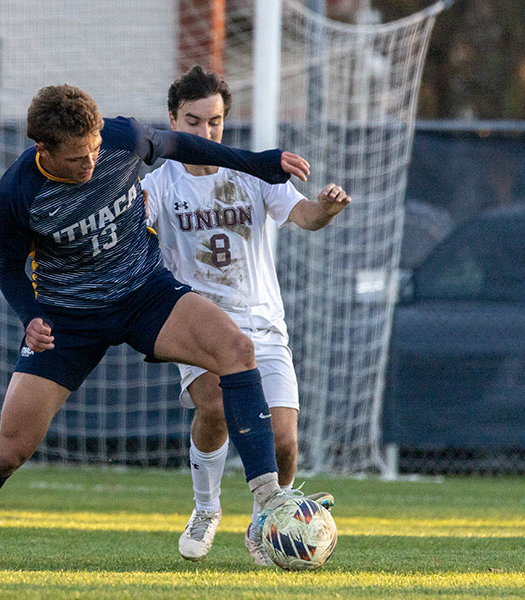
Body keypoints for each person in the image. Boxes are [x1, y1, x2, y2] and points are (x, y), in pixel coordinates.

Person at [0, 83, 311, 564]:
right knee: (7, 451)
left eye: (94, 151)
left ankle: (268, 502)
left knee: (237, 351)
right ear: (42, 149)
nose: (90, 164)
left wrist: (259, 162)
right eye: (76, 159)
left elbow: (185, 145)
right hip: (70, 317)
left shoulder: (123, 137)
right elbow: (9, 268)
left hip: (144, 294)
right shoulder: (17, 192)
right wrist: (30, 317)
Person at [141, 66, 350, 564]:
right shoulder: (157, 183)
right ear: (172, 119)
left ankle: (266, 523)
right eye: (192, 122)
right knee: (214, 406)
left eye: (214, 122)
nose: (204, 133)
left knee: (283, 442)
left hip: (262, 323)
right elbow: (133, 230)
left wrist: (326, 207)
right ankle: (206, 508)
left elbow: (304, 217)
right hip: (199, 323)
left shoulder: (251, 171)